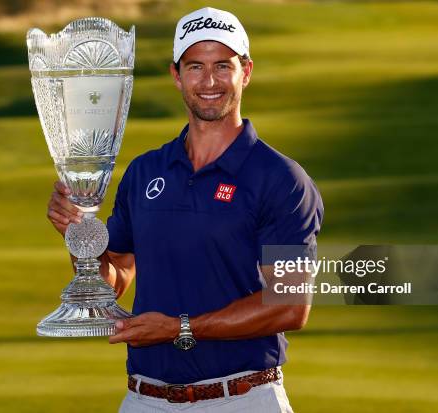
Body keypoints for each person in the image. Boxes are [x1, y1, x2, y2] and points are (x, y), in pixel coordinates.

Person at [47, 7, 323, 412]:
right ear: (176, 75)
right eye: (195, 67)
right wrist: (79, 235)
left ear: (245, 71)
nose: (209, 81)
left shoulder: (281, 179)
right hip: (145, 398)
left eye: (222, 66)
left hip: (242, 398)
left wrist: (180, 328)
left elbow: (290, 304)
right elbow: (114, 283)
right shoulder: (145, 171)